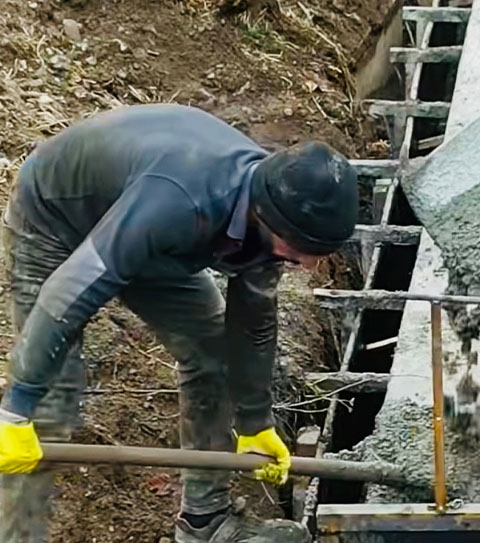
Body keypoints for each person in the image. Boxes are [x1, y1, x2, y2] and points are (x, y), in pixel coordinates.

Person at [0, 104, 358, 543]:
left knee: (213, 355)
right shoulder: (181, 200)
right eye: (302, 248)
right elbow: (72, 290)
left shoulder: (270, 219)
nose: (309, 263)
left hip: (150, 234)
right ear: (267, 216)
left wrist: (255, 421)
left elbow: (253, 322)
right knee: (51, 399)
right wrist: (16, 410)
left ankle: (206, 521)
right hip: (56, 219)